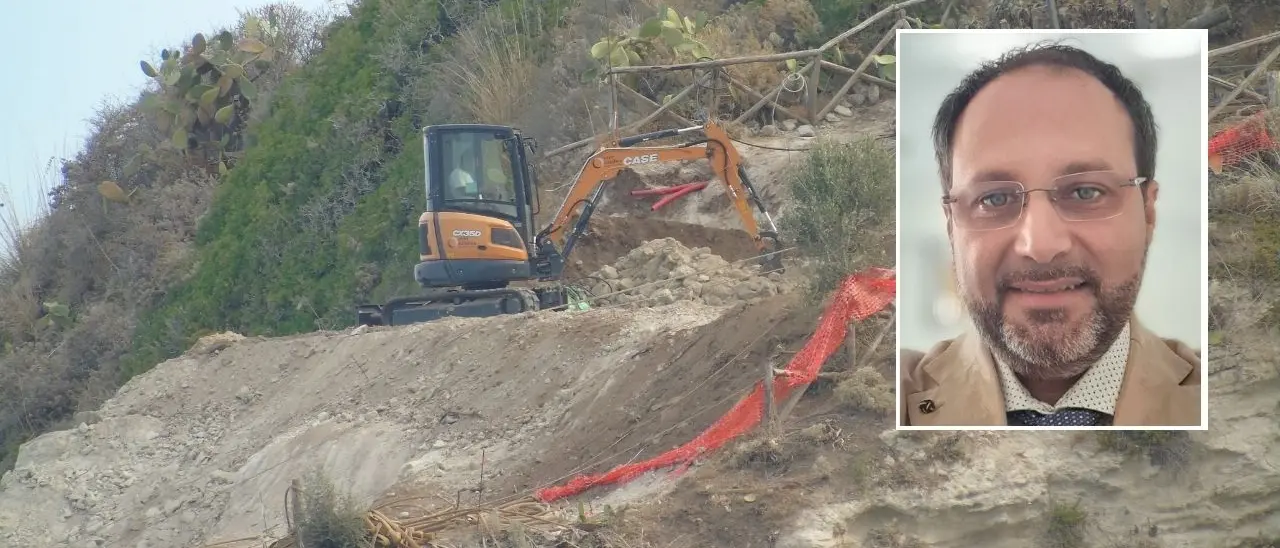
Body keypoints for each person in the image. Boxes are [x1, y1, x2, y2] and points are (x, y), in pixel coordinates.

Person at [899, 42, 1202, 427]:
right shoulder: (898, 398)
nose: (1040, 246)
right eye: (994, 198)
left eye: (1085, 192)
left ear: (1148, 211)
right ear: (950, 224)